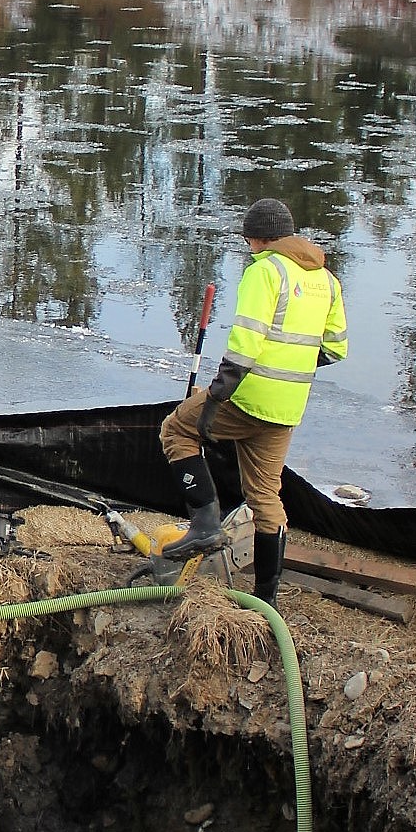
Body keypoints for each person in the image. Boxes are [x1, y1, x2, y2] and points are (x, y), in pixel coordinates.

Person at [159, 197, 348, 606]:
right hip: (288, 407)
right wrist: (289, 372)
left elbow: (245, 343)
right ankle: (267, 599)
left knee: (176, 430)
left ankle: (205, 523)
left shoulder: (265, 271)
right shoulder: (327, 280)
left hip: (247, 396)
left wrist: (215, 396)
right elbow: (335, 348)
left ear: (257, 239)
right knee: (265, 495)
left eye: (249, 240)